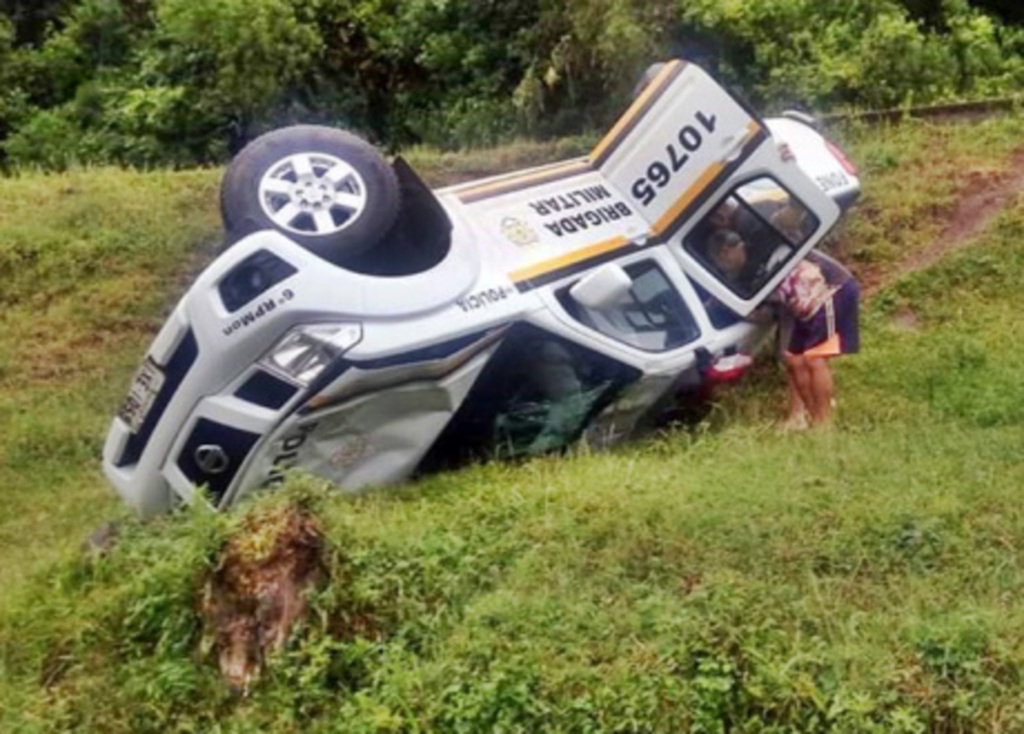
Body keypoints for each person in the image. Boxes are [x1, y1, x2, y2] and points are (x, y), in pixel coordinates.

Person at [707, 232, 859, 430]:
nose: (723, 271)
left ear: (725, 252)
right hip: (799, 304)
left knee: (815, 358)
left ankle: (824, 424)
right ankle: (808, 416)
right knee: (793, 359)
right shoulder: (744, 275)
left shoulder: (762, 247)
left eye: (719, 263)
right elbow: (768, 311)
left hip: (828, 291)